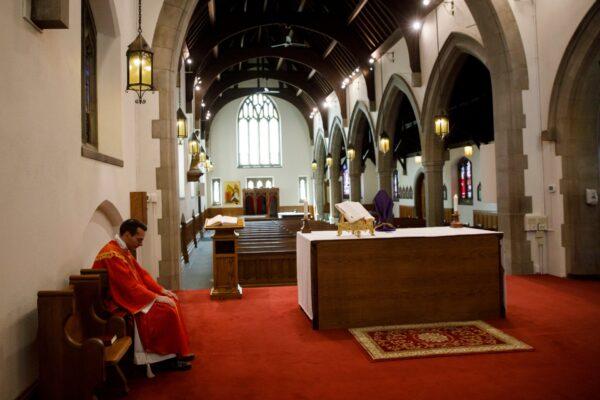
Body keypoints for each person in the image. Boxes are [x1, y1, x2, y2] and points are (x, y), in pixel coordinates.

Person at [92, 219, 194, 371]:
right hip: (117, 302)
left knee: (172, 299)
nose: (141, 244)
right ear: (127, 234)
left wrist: (161, 290)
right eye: (139, 239)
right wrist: (156, 298)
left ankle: (178, 351)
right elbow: (129, 288)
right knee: (166, 311)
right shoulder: (112, 254)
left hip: (132, 296)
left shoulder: (122, 250)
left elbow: (142, 274)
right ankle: (165, 359)